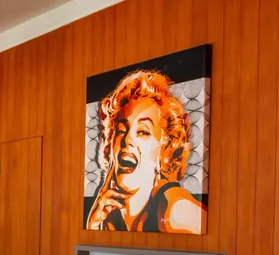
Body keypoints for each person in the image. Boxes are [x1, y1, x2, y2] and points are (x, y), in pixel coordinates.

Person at [86, 70, 206, 233]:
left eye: (143, 132)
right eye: (121, 131)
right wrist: (92, 225)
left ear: (164, 150)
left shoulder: (175, 208)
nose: (127, 140)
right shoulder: (110, 217)